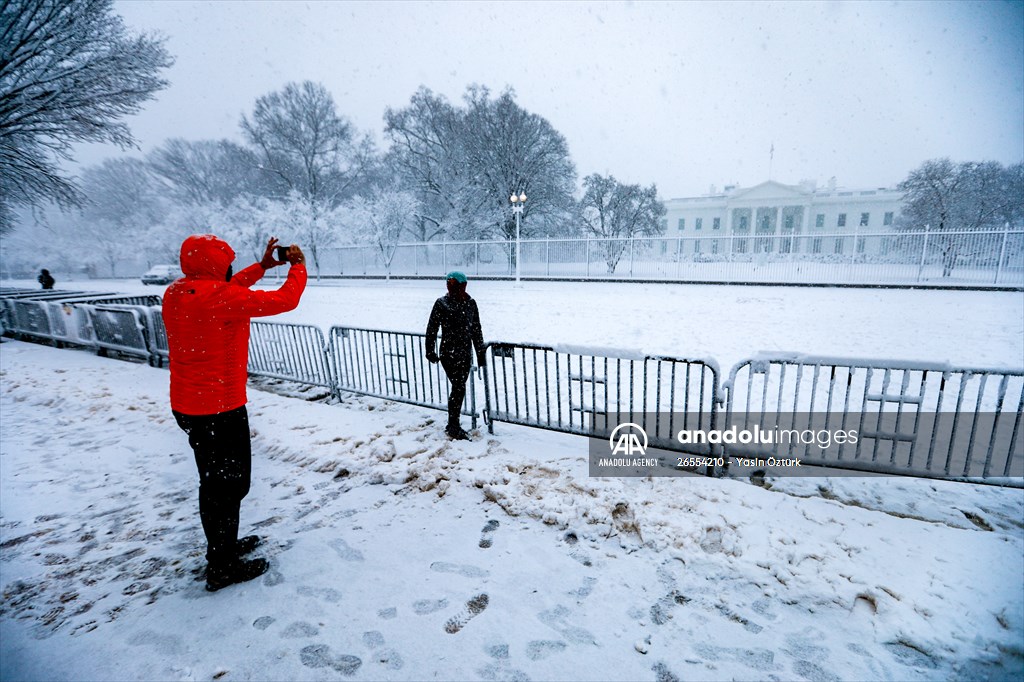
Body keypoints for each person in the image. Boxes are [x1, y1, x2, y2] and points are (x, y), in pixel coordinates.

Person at [163, 235, 306, 591]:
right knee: (228, 486)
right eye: (228, 262)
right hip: (219, 409)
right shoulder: (220, 298)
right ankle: (222, 565)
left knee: (214, 483)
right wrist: (297, 265)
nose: (230, 268)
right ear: (217, 265)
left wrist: (261, 267)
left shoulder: (178, 292)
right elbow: (285, 300)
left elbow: (225, 286)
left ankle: (223, 547)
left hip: (189, 406)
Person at [425, 271, 486, 440]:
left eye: (454, 284)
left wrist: (480, 353)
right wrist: (430, 350)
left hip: (465, 354)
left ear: (463, 285)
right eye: (448, 283)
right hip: (448, 354)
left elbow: (476, 330)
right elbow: (432, 328)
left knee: (458, 388)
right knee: (459, 387)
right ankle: (453, 426)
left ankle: (453, 424)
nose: (450, 287)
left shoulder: (470, 304)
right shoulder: (441, 303)